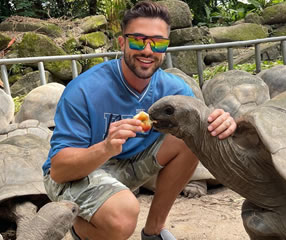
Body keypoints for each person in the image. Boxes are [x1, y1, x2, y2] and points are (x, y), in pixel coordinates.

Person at [42, 1, 237, 240]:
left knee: (193, 132)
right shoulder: (84, 90)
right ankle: (80, 227)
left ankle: (154, 232)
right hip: (78, 171)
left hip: (131, 164)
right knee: (122, 216)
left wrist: (223, 122)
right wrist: (105, 147)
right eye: (138, 40)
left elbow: (202, 122)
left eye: (157, 42)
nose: (147, 50)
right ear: (122, 42)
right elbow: (58, 171)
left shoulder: (174, 89)